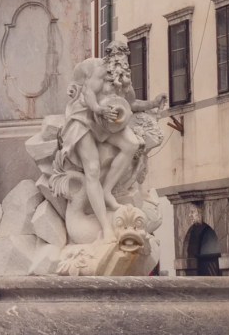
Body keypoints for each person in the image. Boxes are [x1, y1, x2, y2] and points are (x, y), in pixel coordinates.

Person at [60, 41, 165, 240]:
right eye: (117, 57)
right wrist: (99, 109)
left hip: (110, 123)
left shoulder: (124, 80)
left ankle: (107, 190)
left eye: (124, 58)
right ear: (110, 58)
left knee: (132, 144)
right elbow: (89, 93)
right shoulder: (100, 71)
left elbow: (132, 103)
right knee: (92, 170)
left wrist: (153, 102)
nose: (120, 62)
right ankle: (105, 226)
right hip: (86, 119)